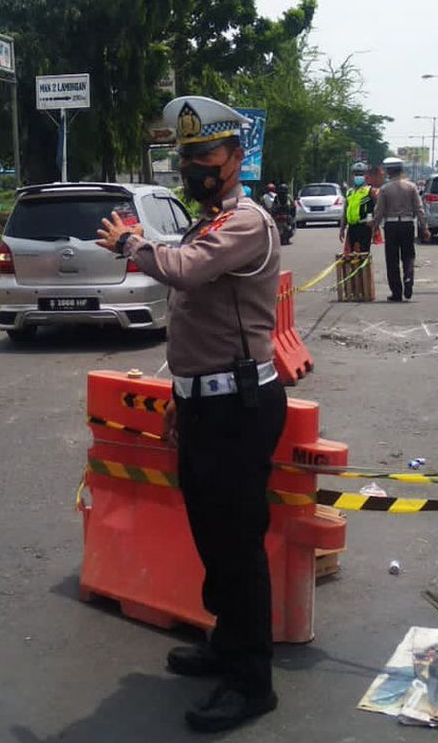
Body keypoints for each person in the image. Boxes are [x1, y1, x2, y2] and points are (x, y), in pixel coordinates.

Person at [95, 95, 285, 734]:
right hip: (207, 402)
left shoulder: (246, 223)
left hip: (241, 406)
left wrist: (132, 241)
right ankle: (227, 645)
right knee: (211, 534)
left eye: (205, 154)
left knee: (237, 544)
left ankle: (251, 682)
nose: (194, 166)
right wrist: (181, 397)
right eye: (186, 157)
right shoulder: (206, 221)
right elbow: (193, 322)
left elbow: (182, 273)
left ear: (236, 157)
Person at [370, 156, 429, 301]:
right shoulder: (411, 187)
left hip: (391, 226)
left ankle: (396, 292)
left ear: (389, 172)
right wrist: (425, 228)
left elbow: (379, 211)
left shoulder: (384, 189)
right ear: (401, 170)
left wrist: (374, 228)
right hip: (408, 225)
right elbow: (419, 208)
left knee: (392, 260)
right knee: (408, 255)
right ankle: (408, 278)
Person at [339, 161, 376, 253]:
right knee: (351, 255)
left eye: (361, 174)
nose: (358, 177)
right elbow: (345, 211)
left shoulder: (370, 191)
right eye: (356, 174)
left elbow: (377, 208)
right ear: (352, 176)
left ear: (365, 176)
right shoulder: (350, 192)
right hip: (352, 227)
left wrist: (373, 223)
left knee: (363, 253)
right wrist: (342, 228)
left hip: (364, 227)